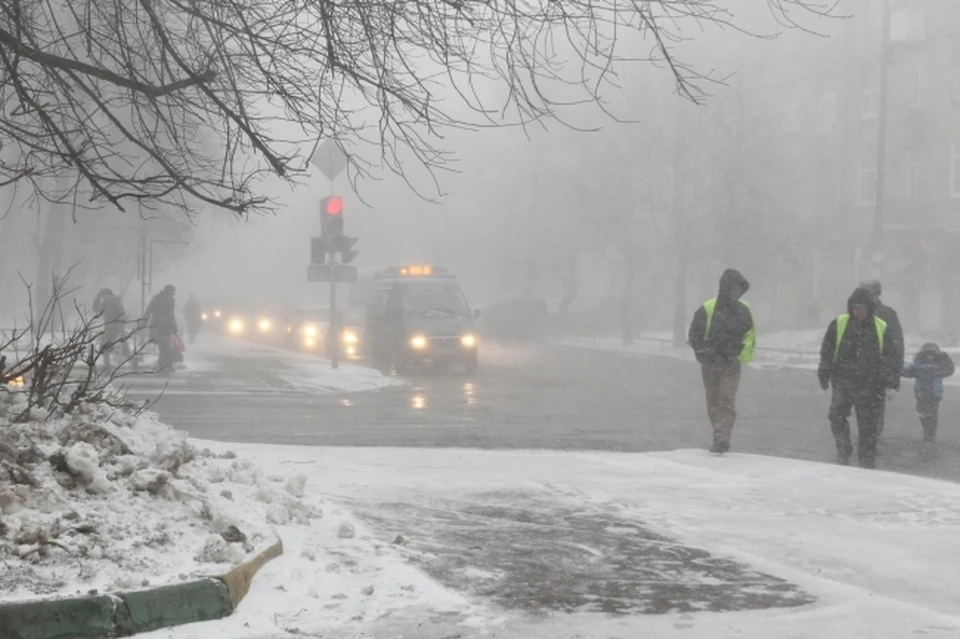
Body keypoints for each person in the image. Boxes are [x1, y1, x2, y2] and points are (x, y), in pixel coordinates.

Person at [818, 287, 900, 468]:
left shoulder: (880, 327)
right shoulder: (839, 324)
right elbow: (827, 350)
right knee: (836, 416)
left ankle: (866, 459)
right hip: (843, 381)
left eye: (862, 308)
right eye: (855, 308)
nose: (859, 312)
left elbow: (890, 356)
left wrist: (891, 383)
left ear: (869, 308)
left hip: (871, 384)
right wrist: (824, 372)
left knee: (868, 425)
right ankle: (843, 449)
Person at [688, 269, 756, 454]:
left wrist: (735, 352)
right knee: (713, 401)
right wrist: (705, 353)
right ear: (726, 287)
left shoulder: (743, 311)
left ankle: (722, 437)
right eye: (734, 288)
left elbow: (748, 334)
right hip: (710, 364)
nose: (737, 292)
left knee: (726, 399)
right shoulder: (708, 309)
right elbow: (695, 334)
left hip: (731, 364)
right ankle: (719, 433)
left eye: (740, 288)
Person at [860, 280, 904, 434]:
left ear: (876, 294)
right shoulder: (852, 313)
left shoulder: (887, 314)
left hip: (877, 372)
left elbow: (896, 347)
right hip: (856, 372)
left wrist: (893, 379)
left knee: (874, 410)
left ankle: (871, 441)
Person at [902, 342, 955, 456]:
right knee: (922, 414)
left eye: (932, 354)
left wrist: (945, 357)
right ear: (923, 355)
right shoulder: (918, 367)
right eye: (927, 354)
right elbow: (905, 371)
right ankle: (927, 431)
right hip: (921, 395)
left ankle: (929, 435)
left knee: (932, 415)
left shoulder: (939, 368)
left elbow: (950, 369)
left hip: (934, 396)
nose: (929, 357)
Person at [144, 284, 179, 375]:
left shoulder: (156, 298)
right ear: (170, 292)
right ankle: (164, 366)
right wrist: (174, 327)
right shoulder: (170, 300)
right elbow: (170, 315)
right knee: (165, 346)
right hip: (165, 326)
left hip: (155, 325)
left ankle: (165, 366)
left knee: (162, 346)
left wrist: (143, 323)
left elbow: (148, 311)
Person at [93, 288, 129, 369]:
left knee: (108, 345)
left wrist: (120, 327)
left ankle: (131, 359)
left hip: (115, 327)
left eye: (103, 295)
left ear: (107, 295)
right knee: (105, 345)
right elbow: (96, 309)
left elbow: (122, 314)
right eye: (102, 296)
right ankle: (107, 364)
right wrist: (97, 298)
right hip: (109, 327)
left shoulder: (115, 301)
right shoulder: (106, 303)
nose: (103, 297)